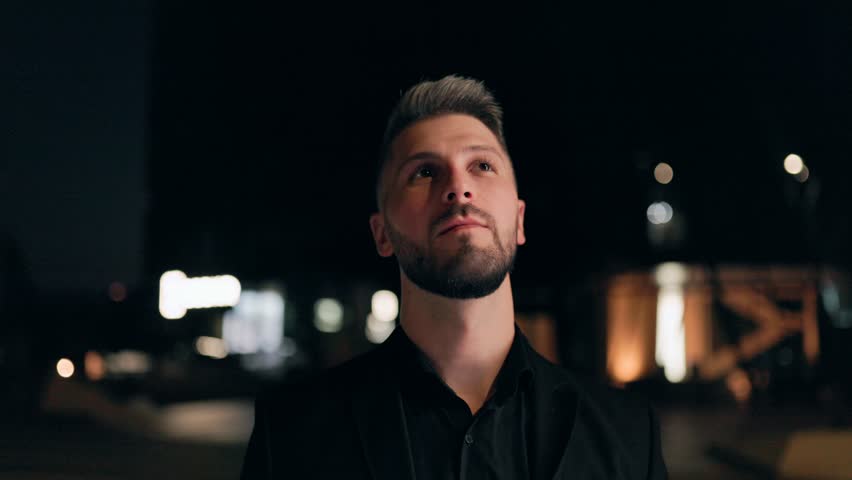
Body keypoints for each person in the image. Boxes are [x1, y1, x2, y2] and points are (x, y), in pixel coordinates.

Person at [241, 75, 668, 479]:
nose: (459, 187)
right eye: (424, 171)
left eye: (482, 165)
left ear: (519, 219)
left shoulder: (630, 434)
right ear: (382, 233)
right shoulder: (291, 435)